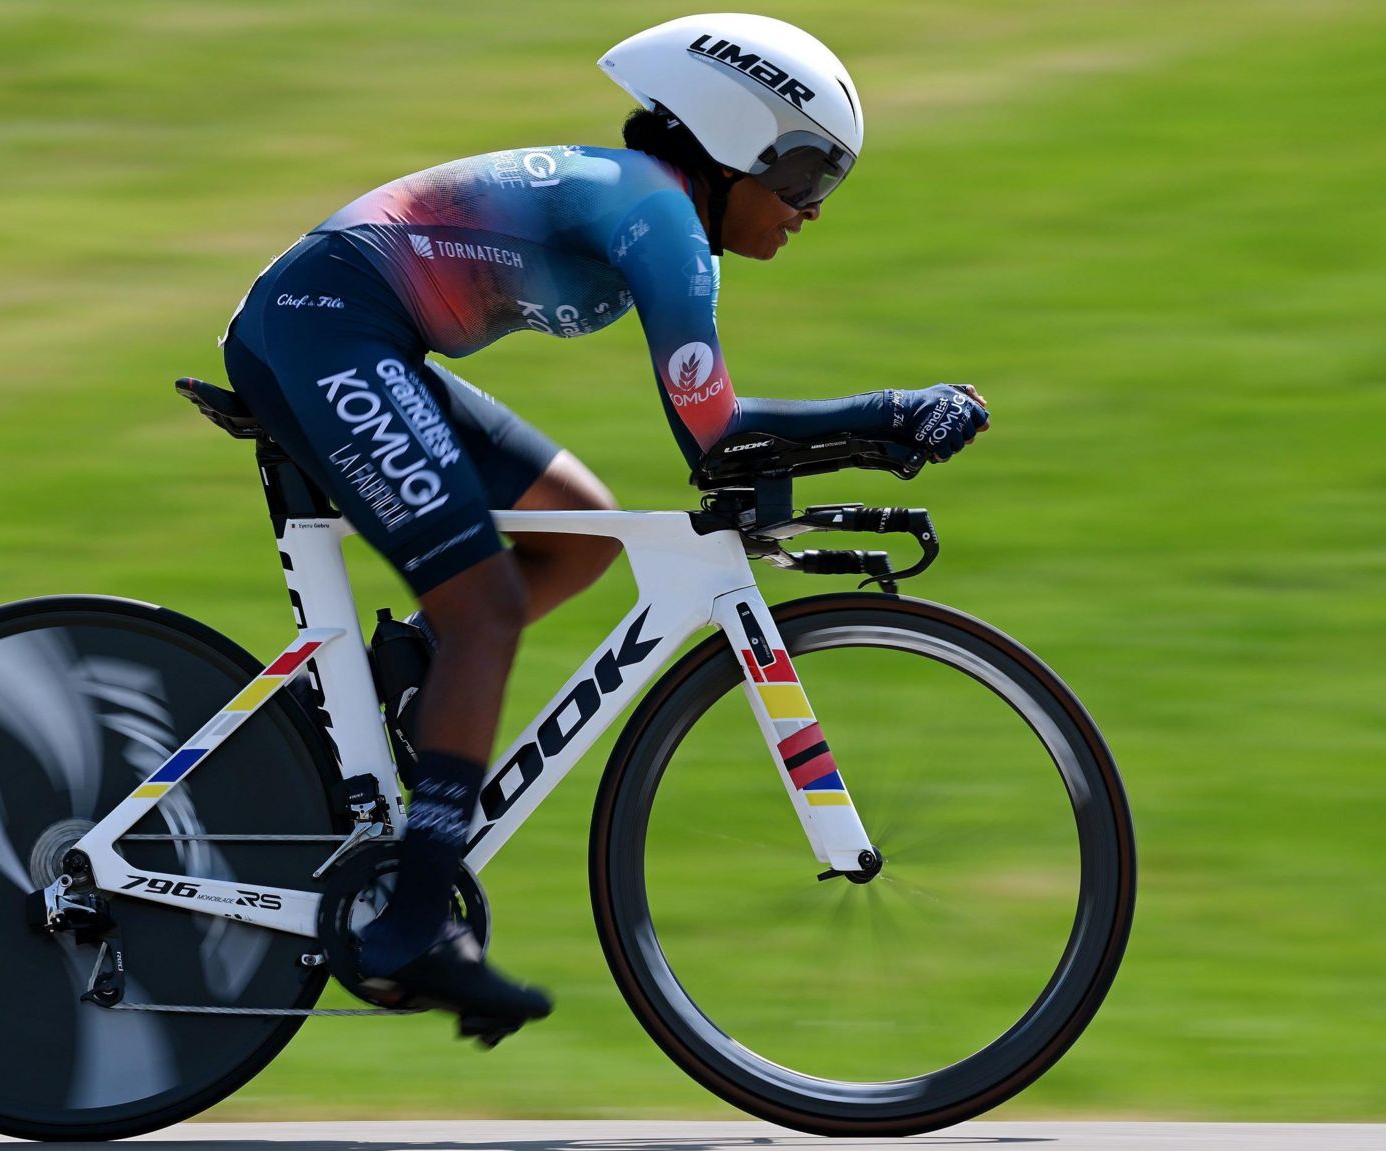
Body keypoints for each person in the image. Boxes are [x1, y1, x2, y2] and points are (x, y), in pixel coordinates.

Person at [217, 13, 989, 1041]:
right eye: (804, 174)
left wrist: (862, 436)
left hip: (346, 328)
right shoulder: (660, 221)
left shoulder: (651, 207)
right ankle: (411, 924)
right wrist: (885, 414)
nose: (810, 210)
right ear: (731, 142)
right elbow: (713, 435)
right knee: (489, 605)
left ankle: (412, 672)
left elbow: (715, 443)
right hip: (325, 327)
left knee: (577, 531)